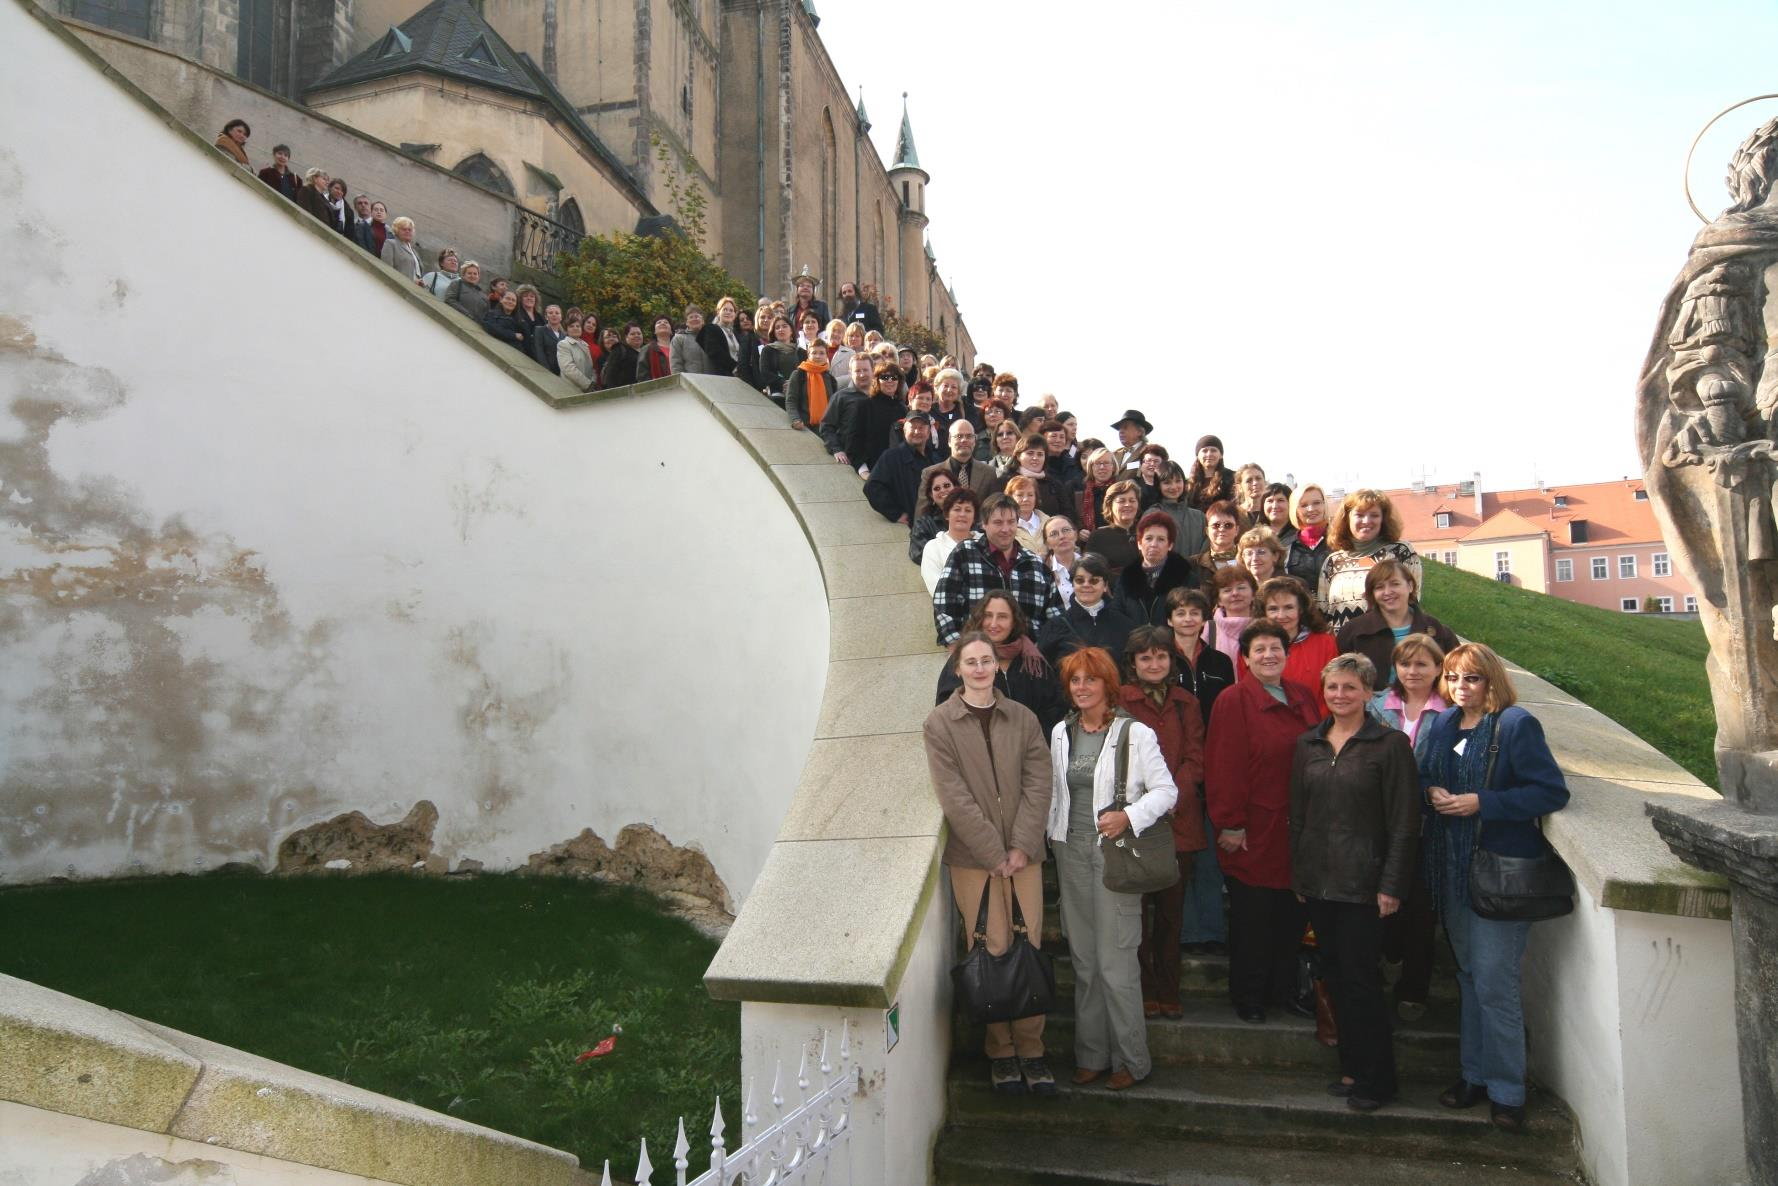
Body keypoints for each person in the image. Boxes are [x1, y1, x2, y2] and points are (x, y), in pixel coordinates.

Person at [1420, 643, 1569, 1133]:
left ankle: (1508, 1090)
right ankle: (1475, 1075)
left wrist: (1481, 802)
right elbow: (1422, 774)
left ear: (1492, 682)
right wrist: (1432, 793)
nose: (1462, 688)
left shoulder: (1515, 724)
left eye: (1473, 679)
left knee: (1495, 983)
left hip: (1499, 875)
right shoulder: (1441, 723)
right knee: (1468, 977)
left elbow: (1549, 791)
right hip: (1451, 870)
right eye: (1454, 678)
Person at [924, 631, 1056, 1097]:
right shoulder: (939, 724)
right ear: (957, 668)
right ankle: (1001, 1052)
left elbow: (1039, 782)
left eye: (987, 660)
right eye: (970, 661)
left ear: (999, 666)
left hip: (1025, 855)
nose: (980, 668)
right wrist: (992, 851)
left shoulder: (1022, 718)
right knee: (992, 946)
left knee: (1030, 945)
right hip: (974, 859)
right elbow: (953, 795)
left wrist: (1020, 845)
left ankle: (1033, 1051)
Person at [1289, 652, 1420, 1112]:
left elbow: (1405, 822)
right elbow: (1299, 817)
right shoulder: (1309, 744)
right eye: (1332, 688)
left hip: (1366, 885)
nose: (1340, 695)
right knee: (1337, 978)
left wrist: (1392, 886)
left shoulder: (1389, 745)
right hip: (1319, 882)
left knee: (1363, 982)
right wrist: (1300, 874)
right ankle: (1351, 1068)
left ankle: (1377, 1079)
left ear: (1369, 692)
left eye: (1349, 687)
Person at [1047, 646, 1179, 1090]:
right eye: (1074, 681)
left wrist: (1129, 816)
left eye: (1090, 680)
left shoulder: (1134, 733)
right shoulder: (1060, 733)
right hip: (1070, 853)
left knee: (1116, 962)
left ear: (1108, 684)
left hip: (1115, 854)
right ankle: (1092, 1054)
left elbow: (1166, 792)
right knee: (1084, 960)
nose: (1081, 688)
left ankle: (1130, 1059)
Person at [1204, 620, 1320, 1023]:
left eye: (1276, 648)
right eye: (1260, 649)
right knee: (1254, 920)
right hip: (1253, 829)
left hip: (1298, 829)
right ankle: (1249, 996)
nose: (1269, 655)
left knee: (1290, 917)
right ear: (1246, 658)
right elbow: (1223, 765)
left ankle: (1282, 989)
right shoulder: (1233, 700)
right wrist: (1230, 824)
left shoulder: (1303, 697)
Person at [1120, 627, 1207, 1021]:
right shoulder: (1121, 700)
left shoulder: (1186, 702)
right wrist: (1143, 804)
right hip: (1134, 824)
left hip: (1178, 822)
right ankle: (1144, 989)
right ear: (1133, 664)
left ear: (1172, 661)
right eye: (1145, 658)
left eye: (1161, 657)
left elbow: (1195, 757)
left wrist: (1171, 797)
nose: (1154, 664)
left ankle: (1169, 990)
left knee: (1171, 918)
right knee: (1135, 916)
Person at [1368, 632, 1450, 1023]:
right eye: (1406, 663)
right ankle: (1389, 958)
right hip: (1381, 821)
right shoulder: (1378, 706)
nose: (1413, 671)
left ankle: (1414, 987)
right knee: (1384, 901)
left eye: (1422, 664)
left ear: (1438, 668)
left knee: (1421, 908)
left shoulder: (1449, 711)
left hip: (1429, 825)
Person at [1164, 588, 1235, 955]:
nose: (1189, 619)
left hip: (1214, 765)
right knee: (1181, 855)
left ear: (1205, 619)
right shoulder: (1162, 662)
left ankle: (1210, 931)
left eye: (1195, 613)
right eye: (1181, 612)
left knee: (1208, 855)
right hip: (1172, 767)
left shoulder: (1221, 663)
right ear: (1169, 619)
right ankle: (1185, 931)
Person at [933, 494, 1064, 646]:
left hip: (1027, 660)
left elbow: (1055, 617)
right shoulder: (965, 554)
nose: (1005, 529)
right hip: (978, 657)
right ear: (984, 524)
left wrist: (1043, 651)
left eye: (1011, 522)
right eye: (998, 522)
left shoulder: (1035, 564)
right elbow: (944, 602)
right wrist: (957, 647)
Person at [936, 591, 1069, 735]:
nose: (994, 624)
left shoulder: (1033, 661)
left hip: (1032, 750)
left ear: (1014, 621)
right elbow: (947, 713)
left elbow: (1053, 710)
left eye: (1002, 617)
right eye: (987, 615)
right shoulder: (962, 659)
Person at [1337, 559, 1461, 688]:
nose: (1387, 592)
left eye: (1395, 584)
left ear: (1410, 586)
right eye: (1379, 587)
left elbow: (1457, 672)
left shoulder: (1436, 629)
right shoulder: (1353, 631)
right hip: (1371, 706)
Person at [1320, 489, 1423, 634]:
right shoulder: (1333, 561)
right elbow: (1323, 610)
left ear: (1383, 519)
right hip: (1342, 646)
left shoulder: (1401, 552)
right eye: (1359, 515)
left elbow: (1413, 598)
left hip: (1386, 642)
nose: (1366, 521)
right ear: (1347, 518)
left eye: (1374, 515)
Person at [1037, 554, 1136, 670]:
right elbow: (1045, 672)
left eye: (1094, 580)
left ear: (1105, 586)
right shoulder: (1055, 627)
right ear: (1073, 585)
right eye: (1080, 580)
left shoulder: (1124, 625)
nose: (1086, 585)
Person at [1258, 576, 1338, 717]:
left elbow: (1333, 689)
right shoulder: (1252, 648)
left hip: (1315, 728)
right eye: (1273, 609)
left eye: (1288, 607)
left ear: (1301, 609)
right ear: (1264, 612)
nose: (1281, 616)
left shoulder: (1325, 643)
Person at [1120, 510, 1198, 624]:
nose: (1153, 544)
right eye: (1148, 538)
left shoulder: (1187, 579)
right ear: (1139, 543)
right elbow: (1117, 614)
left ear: (1170, 545)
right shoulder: (1126, 578)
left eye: (1161, 539)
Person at [865, 413, 940, 525]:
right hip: (912, 526)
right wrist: (896, 514)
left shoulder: (935, 458)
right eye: (913, 427)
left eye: (921, 428)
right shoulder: (891, 457)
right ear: (904, 431)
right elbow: (872, 487)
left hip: (933, 524)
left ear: (929, 433)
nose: (917, 431)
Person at [916, 420, 999, 520]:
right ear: (949, 441)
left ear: (975, 441)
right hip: (940, 532)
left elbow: (993, 510)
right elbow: (921, 513)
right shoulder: (930, 473)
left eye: (969, 436)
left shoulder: (989, 473)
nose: (964, 440)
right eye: (959, 436)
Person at [839, 364, 908, 477]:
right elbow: (853, 441)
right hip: (872, 470)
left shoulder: (902, 409)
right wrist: (863, 470)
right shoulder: (864, 406)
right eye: (885, 377)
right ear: (876, 380)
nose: (890, 381)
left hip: (897, 471)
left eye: (894, 377)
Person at [819, 353, 877, 461]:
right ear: (850, 373)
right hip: (848, 458)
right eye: (857, 371)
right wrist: (836, 449)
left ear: (873, 371)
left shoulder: (880, 397)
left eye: (865, 370)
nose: (862, 374)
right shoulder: (841, 397)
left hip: (875, 458)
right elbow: (826, 427)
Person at [919, 483, 974, 590]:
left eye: (968, 510)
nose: (962, 514)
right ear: (946, 514)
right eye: (957, 509)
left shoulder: (986, 542)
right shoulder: (933, 548)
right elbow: (937, 589)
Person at [698, 296, 759, 388]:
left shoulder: (736, 333)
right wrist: (734, 367)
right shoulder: (711, 329)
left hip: (738, 379)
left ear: (735, 314)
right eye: (725, 309)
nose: (728, 312)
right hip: (720, 378)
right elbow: (715, 353)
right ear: (719, 312)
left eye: (731, 310)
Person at [1154, 462, 1209, 560]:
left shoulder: (1199, 516)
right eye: (1167, 482)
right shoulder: (1153, 514)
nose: (1174, 487)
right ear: (1158, 485)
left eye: (1178, 481)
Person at [1284, 483, 1332, 589]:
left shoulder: (1341, 540)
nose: (1310, 509)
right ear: (1295, 511)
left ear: (1324, 505)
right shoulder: (1286, 546)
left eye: (1317, 503)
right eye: (1304, 505)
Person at [1209, 567, 1257, 669]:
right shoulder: (1209, 629)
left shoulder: (1267, 626)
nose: (1235, 593)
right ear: (1219, 600)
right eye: (1227, 590)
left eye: (1241, 588)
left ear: (1253, 594)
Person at [785, 336, 831, 430]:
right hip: (804, 427)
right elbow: (791, 401)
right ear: (808, 355)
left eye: (822, 353)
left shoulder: (830, 378)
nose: (818, 356)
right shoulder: (798, 374)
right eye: (814, 353)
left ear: (826, 356)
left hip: (826, 429)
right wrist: (795, 419)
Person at [1192, 501, 1243, 582]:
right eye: (1216, 525)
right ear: (1207, 531)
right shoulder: (1193, 564)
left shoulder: (1248, 561)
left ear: (1237, 530)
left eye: (1228, 525)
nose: (1222, 529)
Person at [759, 316, 803, 407]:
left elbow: (806, 373)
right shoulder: (768, 350)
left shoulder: (802, 352)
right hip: (777, 394)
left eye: (784, 326)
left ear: (791, 330)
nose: (780, 329)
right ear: (774, 332)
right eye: (777, 327)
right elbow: (765, 372)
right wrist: (783, 383)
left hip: (799, 393)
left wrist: (794, 384)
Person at [1074, 448, 1120, 537]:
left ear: (1113, 467)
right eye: (1098, 463)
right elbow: (1071, 516)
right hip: (1088, 544)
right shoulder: (1079, 490)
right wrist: (1079, 530)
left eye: (1106, 463)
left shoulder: (1121, 490)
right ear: (1091, 467)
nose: (1102, 467)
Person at [1186, 436, 1238, 511]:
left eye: (1213, 450)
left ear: (1221, 455)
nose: (1209, 454)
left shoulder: (1232, 478)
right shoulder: (1188, 484)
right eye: (1204, 451)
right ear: (1197, 456)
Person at [1004, 477, 1050, 555]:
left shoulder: (1049, 523)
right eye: (1020, 495)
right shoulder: (1004, 528)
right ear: (1010, 498)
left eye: (1030, 495)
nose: (1025, 499)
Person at [1041, 516, 1080, 605]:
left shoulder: (1090, 564)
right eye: (1054, 534)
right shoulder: (1042, 571)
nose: (1062, 536)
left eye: (1066, 530)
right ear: (1047, 544)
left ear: (1076, 535)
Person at [558, 310, 597, 393]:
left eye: (578, 326)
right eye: (571, 326)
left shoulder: (585, 345)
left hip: (587, 390)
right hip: (571, 390)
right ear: (566, 329)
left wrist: (593, 381)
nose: (575, 328)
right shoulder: (563, 344)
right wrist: (588, 384)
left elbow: (591, 368)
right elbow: (569, 369)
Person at [481, 290, 529, 354]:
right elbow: (492, 329)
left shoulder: (521, 322)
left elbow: (525, 342)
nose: (510, 302)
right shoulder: (491, 314)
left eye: (513, 300)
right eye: (508, 298)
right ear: (501, 299)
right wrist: (514, 335)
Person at [600, 322, 645, 388]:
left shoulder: (646, 351)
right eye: (632, 334)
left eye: (639, 333)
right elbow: (610, 376)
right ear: (626, 337)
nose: (636, 335)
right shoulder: (619, 349)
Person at [670, 305, 712, 375]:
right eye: (691, 317)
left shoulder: (712, 338)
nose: (694, 319)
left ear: (702, 321)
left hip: (712, 381)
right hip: (691, 382)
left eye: (697, 316)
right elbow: (676, 366)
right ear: (686, 322)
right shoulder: (679, 339)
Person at [532, 304, 568, 374]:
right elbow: (539, 352)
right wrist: (547, 371)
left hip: (560, 374)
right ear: (546, 317)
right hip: (544, 372)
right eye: (550, 313)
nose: (554, 315)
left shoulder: (564, 336)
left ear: (561, 317)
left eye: (557, 313)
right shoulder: (539, 330)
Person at [639, 315, 676, 381]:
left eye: (666, 322)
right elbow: (642, 376)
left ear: (671, 331)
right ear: (654, 331)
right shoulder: (646, 349)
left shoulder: (678, 348)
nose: (662, 323)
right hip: (658, 389)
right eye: (659, 322)